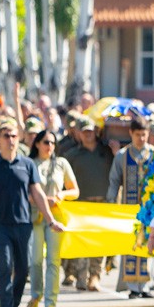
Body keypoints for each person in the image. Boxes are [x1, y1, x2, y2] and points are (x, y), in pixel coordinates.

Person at [0, 122, 66, 307]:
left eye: (14, 136)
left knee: (23, 270)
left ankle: (14, 305)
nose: (10, 140)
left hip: (24, 224)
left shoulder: (27, 164)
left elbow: (38, 193)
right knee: (5, 266)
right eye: (6, 136)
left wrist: (51, 220)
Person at [27, 130, 78, 307]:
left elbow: (75, 190)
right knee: (35, 260)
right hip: (35, 217)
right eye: (46, 142)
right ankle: (36, 295)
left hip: (55, 217)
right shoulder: (30, 163)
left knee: (53, 260)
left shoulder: (61, 164)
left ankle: (51, 302)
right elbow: (24, 191)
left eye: (53, 143)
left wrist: (62, 195)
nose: (50, 146)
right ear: (38, 144)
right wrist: (37, 200)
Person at [61, 117, 114, 291]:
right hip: (81, 205)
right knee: (82, 243)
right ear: (78, 133)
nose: (88, 135)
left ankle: (95, 276)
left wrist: (115, 151)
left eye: (91, 131)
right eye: (84, 132)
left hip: (102, 203)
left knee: (99, 242)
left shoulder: (107, 151)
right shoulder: (72, 155)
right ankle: (81, 276)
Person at [107, 116, 154, 298]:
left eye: (144, 135)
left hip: (150, 209)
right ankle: (132, 287)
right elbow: (114, 180)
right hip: (128, 209)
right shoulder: (122, 155)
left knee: (149, 244)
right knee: (131, 245)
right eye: (138, 135)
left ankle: (145, 285)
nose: (141, 139)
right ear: (131, 133)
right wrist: (111, 201)